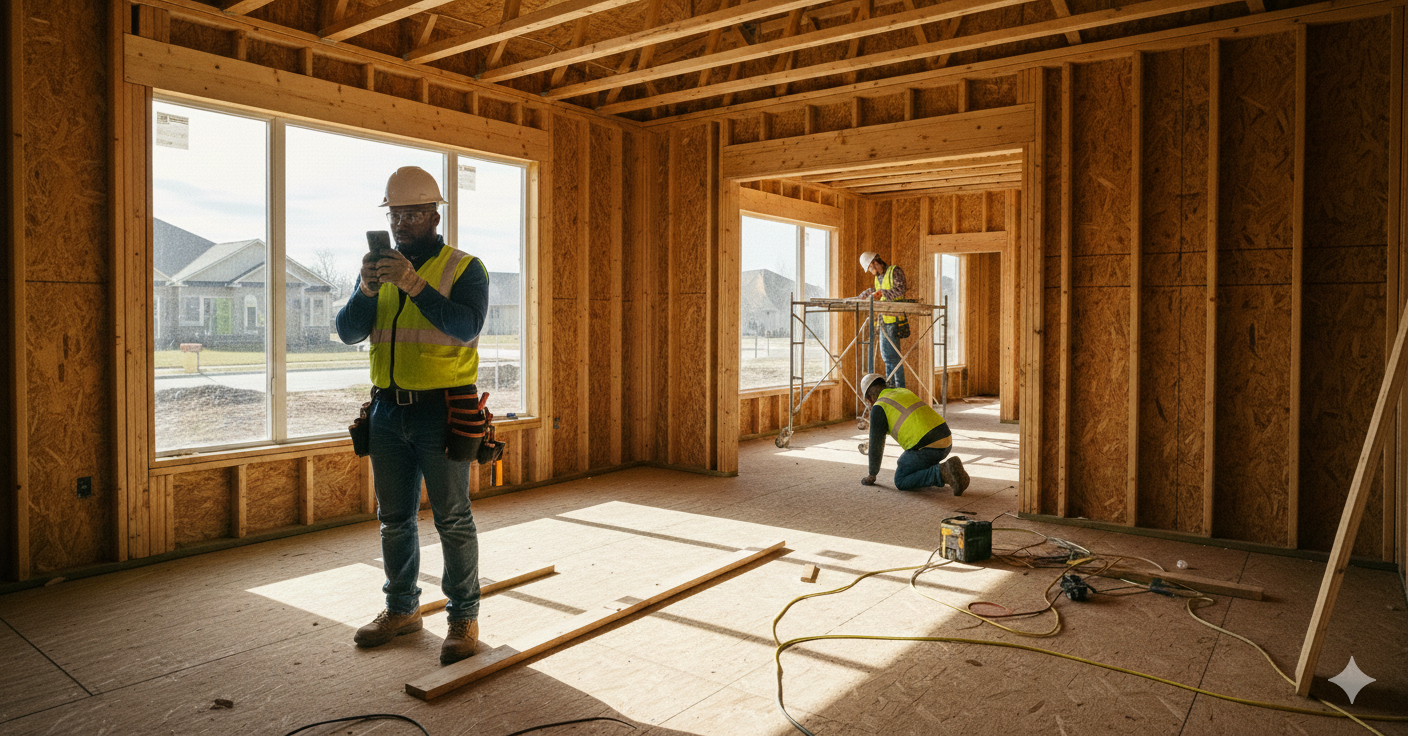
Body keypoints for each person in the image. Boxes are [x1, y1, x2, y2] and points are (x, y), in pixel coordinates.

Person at [335, 166, 490, 665]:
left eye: (414, 213)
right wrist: (364, 289)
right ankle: (401, 609)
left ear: (435, 214)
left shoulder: (465, 268)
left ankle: (464, 618)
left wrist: (415, 285)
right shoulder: (379, 272)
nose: (403, 222)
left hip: (441, 411)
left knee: (452, 518)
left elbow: (465, 328)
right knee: (394, 519)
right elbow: (348, 333)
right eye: (396, 213)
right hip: (385, 410)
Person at [859, 373, 969, 495]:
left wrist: (872, 474)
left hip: (928, 447)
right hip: (946, 440)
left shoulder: (879, 407)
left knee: (901, 478)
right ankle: (954, 472)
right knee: (906, 461)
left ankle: (942, 472)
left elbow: (876, 445)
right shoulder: (903, 391)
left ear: (870, 397)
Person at [856, 251, 907, 388]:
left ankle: (899, 388)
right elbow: (877, 290)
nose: (871, 271)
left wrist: (883, 293)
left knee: (893, 358)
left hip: (894, 319)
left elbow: (901, 289)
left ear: (874, 263)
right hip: (883, 320)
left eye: (870, 268)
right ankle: (891, 387)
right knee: (887, 357)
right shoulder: (878, 277)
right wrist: (866, 294)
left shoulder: (894, 271)